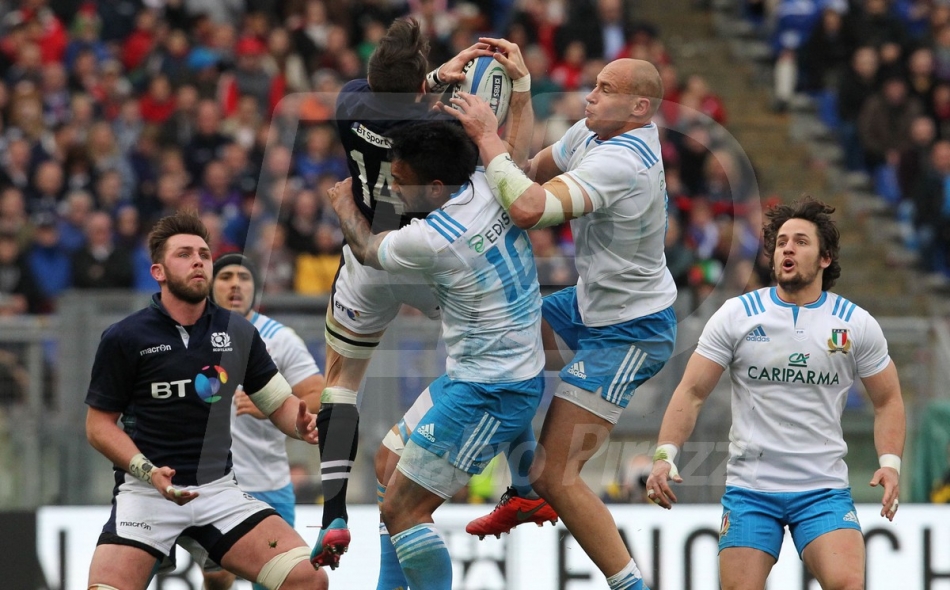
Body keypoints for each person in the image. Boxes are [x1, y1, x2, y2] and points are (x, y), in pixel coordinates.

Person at [310, 17, 550, 569]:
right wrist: (489, 94)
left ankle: (332, 516)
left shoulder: (350, 102)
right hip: (429, 254)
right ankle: (523, 477)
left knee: (341, 382)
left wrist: (430, 78)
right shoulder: (442, 126)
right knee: (502, 348)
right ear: (423, 86)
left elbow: (385, 96)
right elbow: (505, 163)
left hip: (369, 256)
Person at [445, 57, 677, 590]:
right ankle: (524, 491)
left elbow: (526, 206)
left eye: (605, 89)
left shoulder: (624, 160)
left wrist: (486, 135)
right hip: (591, 303)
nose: (588, 96)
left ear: (640, 107)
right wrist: (521, 94)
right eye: (593, 84)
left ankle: (630, 585)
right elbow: (524, 170)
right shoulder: (593, 131)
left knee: (559, 474)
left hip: (631, 332)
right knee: (498, 347)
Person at [645, 198, 905, 590]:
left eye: (801, 241)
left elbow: (888, 400)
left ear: (825, 258)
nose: (787, 248)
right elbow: (692, 391)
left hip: (822, 488)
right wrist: (665, 456)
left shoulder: (855, 323)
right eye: (781, 241)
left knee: (849, 584)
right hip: (752, 489)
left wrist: (890, 463)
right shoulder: (737, 315)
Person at [83, 211, 328, 590]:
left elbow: (278, 403)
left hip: (218, 491)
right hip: (146, 492)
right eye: (184, 254)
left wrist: (299, 423)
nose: (198, 260)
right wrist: (149, 472)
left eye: (204, 253)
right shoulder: (124, 337)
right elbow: (98, 426)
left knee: (309, 579)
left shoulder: (238, 332)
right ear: (158, 272)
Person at [195, 253, 325, 590]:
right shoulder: (192, 335)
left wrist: (272, 402)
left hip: (266, 483)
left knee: (278, 580)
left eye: (244, 278)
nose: (235, 284)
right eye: (225, 277)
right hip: (211, 485)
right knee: (217, 576)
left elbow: (318, 393)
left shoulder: (279, 338)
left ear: (256, 289)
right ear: (210, 285)